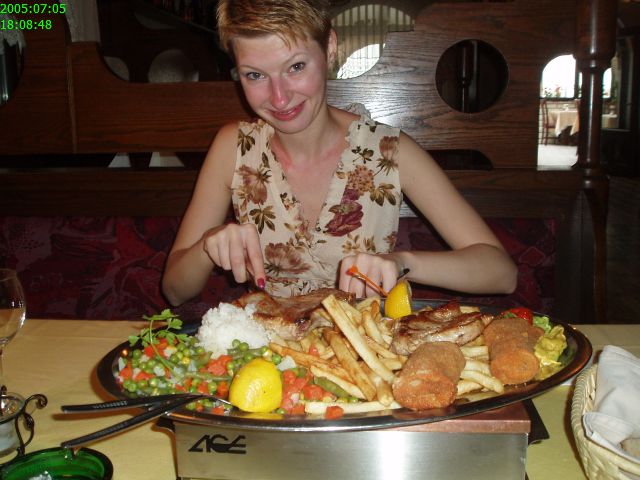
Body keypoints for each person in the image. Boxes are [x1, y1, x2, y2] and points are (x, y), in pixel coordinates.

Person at [162, 0, 517, 305]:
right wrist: (208, 245)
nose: (279, 98)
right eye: (255, 75)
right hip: (270, 354)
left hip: (365, 353)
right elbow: (175, 291)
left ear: (330, 47)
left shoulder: (389, 151)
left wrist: (401, 262)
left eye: (296, 67)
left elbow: (501, 273)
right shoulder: (233, 148)